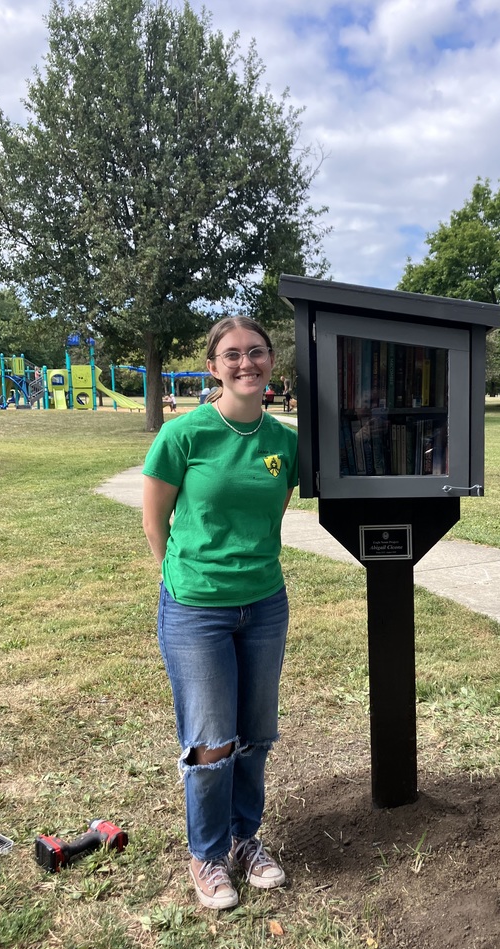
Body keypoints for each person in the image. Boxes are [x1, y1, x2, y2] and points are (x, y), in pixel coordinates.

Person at [142, 315, 298, 910]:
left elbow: (273, 512)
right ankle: (205, 856)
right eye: (231, 355)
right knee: (212, 740)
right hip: (196, 609)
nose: (245, 364)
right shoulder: (185, 435)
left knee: (256, 734)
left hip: (264, 603)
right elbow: (155, 518)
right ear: (214, 366)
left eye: (255, 353)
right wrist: (178, 575)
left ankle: (243, 840)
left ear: (270, 363)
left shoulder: (283, 443)